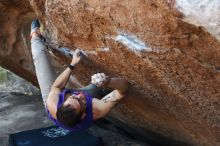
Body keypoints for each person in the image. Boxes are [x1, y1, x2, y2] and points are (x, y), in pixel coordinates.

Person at [30, 19, 130, 131]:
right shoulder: (97, 110)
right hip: (89, 104)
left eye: (73, 97)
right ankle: (100, 89)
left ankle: (34, 35)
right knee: (98, 85)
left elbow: (57, 87)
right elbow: (125, 88)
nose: (79, 95)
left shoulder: (52, 103)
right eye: (81, 101)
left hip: (54, 97)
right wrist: (108, 81)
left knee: (39, 58)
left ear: (62, 103)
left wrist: (72, 64)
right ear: (83, 115)